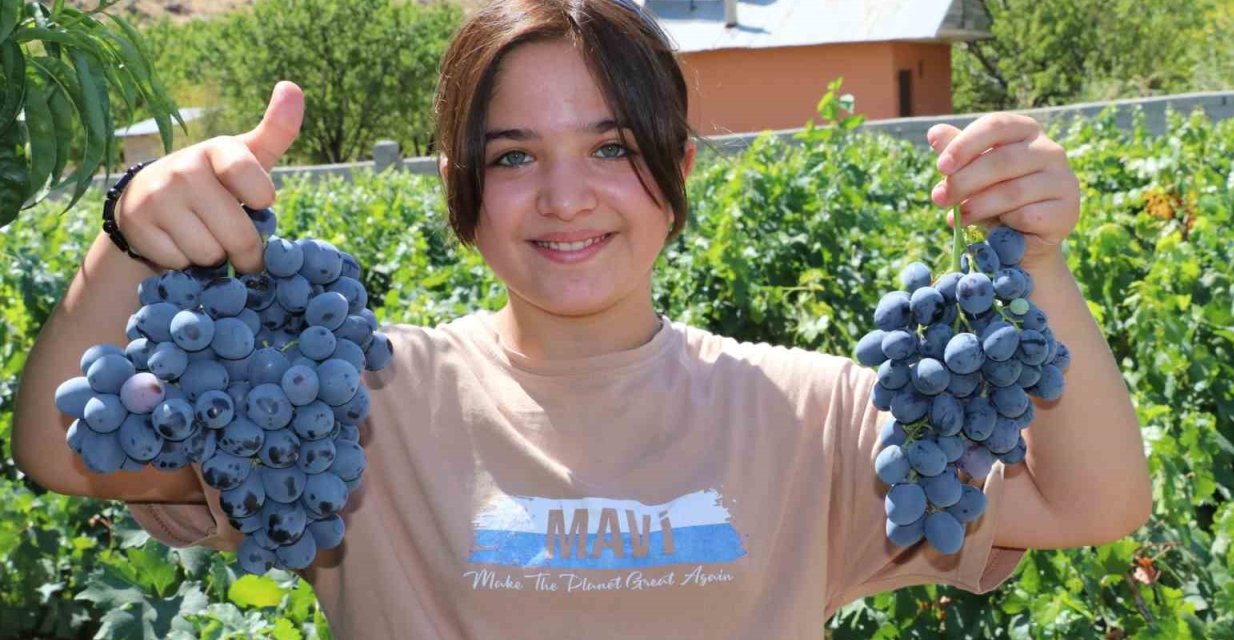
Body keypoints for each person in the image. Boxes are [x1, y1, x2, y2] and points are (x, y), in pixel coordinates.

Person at [11, 0, 1152, 638]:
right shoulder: (354, 405)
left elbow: (1093, 502)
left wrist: (1036, 262)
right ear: (462, 190)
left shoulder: (808, 411)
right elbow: (60, 450)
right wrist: (131, 233)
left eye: (610, 146)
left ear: (677, 170)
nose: (565, 196)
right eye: (516, 157)